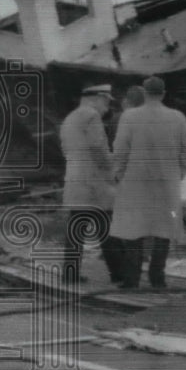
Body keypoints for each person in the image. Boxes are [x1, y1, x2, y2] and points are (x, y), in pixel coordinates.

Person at [111, 76, 186, 290]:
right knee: (164, 231)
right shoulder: (177, 117)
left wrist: (119, 174)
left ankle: (132, 280)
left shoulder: (129, 116)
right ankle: (157, 278)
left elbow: (120, 150)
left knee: (133, 230)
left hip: (135, 181)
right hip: (167, 182)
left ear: (145, 93)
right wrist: (180, 173)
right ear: (163, 93)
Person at [59, 83, 123, 284]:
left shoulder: (69, 119)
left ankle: (69, 274)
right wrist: (113, 169)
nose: (107, 108)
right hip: (94, 183)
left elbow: (65, 150)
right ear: (98, 98)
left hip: (75, 181)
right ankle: (120, 275)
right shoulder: (92, 116)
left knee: (76, 229)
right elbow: (98, 148)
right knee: (107, 227)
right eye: (106, 102)